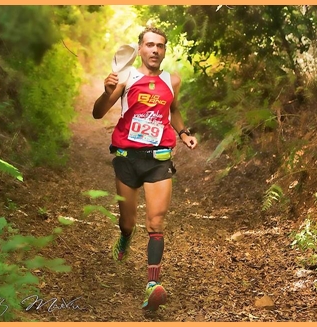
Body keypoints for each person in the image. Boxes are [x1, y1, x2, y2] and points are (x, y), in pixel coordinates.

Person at [92, 26, 198, 312]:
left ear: (164, 51)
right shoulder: (126, 77)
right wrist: (106, 91)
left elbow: (173, 110)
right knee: (128, 222)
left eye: (159, 46)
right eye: (149, 45)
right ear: (140, 49)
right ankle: (125, 237)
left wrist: (184, 132)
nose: (154, 50)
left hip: (158, 160)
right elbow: (98, 112)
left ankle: (152, 284)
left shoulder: (172, 81)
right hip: (127, 158)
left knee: (155, 223)